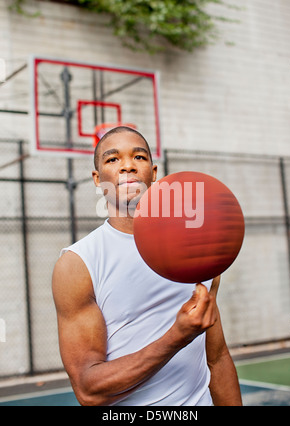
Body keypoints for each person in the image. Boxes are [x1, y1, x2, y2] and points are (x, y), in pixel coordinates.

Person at [52, 126, 242, 406]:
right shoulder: (78, 263)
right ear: (97, 178)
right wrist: (176, 337)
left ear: (154, 175)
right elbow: (89, 390)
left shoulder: (189, 247)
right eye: (112, 159)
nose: (127, 165)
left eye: (139, 157)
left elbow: (217, 357)